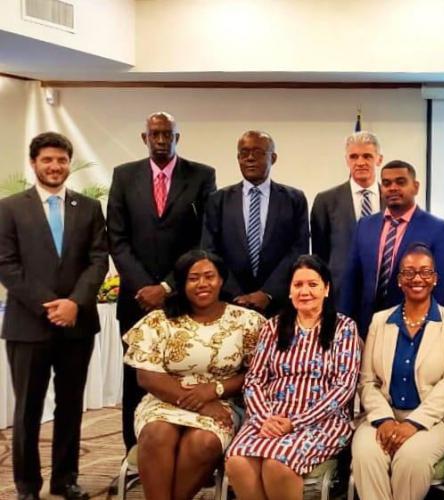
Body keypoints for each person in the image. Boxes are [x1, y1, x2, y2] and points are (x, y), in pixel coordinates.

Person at [0, 132, 108, 500]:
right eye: (47, 159)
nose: (55, 166)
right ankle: (27, 486)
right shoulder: (10, 208)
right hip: (28, 326)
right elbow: (7, 266)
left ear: (68, 164)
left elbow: (98, 260)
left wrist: (75, 303)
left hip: (77, 325)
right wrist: (51, 305)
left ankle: (65, 479)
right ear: (34, 163)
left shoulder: (88, 208)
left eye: (61, 160)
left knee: (71, 406)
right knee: (27, 410)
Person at [107, 111, 217, 451]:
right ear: (144, 138)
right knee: (136, 379)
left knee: (184, 374)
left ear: (177, 137)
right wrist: (146, 288)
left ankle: (181, 451)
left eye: (167, 134)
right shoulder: (124, 176)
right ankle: (134, 454)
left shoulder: (201, 176)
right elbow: (117, 239)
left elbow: (203, 239)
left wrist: (168, 286)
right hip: (136, 300)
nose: (160, 140)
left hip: (184, 298)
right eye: (154, 134)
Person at [123, 250, 265, 500]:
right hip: (164, 401)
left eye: (209, 276)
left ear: (221, 280)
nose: (202, 284)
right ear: (181, 283)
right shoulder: (159, 320)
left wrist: (215, 390)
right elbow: (147, 377)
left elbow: (257, 373)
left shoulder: (247, 321)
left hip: (221, 403)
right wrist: (201, 404)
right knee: (157, 434)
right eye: (193, 278)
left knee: (204, 442)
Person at [225, 255, 362, 500]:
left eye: (313, 284)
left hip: (321, 419)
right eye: (298, 285)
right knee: (237, 462)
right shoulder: (273, 327)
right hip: (269, 416)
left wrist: (295, 422)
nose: (305, 291)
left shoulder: (344, 328)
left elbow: (344, 387)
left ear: (326, 289)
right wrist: (264, 419)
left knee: (277, 464)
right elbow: (254, 380)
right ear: (289, 291)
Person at [351, 245, 444, 500]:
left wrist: (413, 423)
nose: (417, 278)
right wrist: (384, 419)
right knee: (366, 455)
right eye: (409, 272)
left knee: (411, 458)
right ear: (399, 280)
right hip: (383, 415)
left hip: (434, 420)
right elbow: (367, 381)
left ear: (435, 279)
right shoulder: (380, 321)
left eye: (425, 272)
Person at [341, 160, 444, 335]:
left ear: (415, 187)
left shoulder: (438, 229)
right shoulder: (365, 225)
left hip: (415, 327)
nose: (393, 188)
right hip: (366, 326)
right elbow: (351, 280)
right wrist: (345, 326)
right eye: (387, 183)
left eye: (400, 182)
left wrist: (431, 330)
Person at [202, 130, 310, 316]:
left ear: (273, 158)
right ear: (238, 158)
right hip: (230, 303)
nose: (250, 158)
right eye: (244, 153)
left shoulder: (294, 199)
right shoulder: (218, 200)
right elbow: (210, 250)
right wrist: (236, 294)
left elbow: (298, 250)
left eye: (258, 152)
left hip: (279, 304)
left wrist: (267, 293)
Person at [311, 131, 383, 310]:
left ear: (379, 159)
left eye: (367, 156)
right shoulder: (325, 201)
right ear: (346, 160)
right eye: (354, 156)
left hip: (383, 294)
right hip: (340, 296)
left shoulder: (393, 201)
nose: (360, 162)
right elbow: (320, 255)